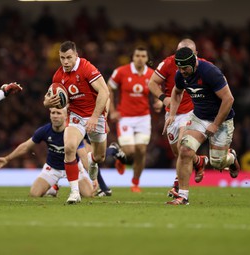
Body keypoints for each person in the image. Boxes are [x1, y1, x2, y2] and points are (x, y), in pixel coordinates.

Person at [163, 47, 240, 205]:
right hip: (198, 117)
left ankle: (231, 158)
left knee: (217, 162)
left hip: (222, 120)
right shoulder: (181, 75)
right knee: (184, 150)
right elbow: (177, 92)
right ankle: (183, 196)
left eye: (185, 68)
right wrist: (172, 114)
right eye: (179, 68)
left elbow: (228, 99)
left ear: (194, 63)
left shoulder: (210, 72)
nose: (182, 71)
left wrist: (216, 124)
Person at [44, 41, 109, 204]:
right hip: (76, 116)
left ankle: (92, 160)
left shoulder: (87, 67)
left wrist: (95, 117)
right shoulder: (58, 76)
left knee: (100, 157)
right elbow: (48, 98)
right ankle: (74, 193)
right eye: (62, 58)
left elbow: (104, 91)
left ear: (76, 56)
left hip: (96, 114)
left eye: (69, 58)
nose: (65, 62)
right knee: (69, 147)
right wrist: (47, 102)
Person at [148, 39, 209, 198]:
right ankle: (198, 161)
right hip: (173, 113)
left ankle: (179, 188)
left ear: (195, 54)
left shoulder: (204, 66)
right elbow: (152, 83)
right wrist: (163, 98)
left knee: (184, 145)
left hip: (193, 112)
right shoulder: (168, 63)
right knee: (179, 153)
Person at [0, 107, 94, 198]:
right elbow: (26, 146)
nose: (55, 116)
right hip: (52, 168)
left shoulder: (73, 132)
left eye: (58, 113)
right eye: (53, 113)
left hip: (73, 167)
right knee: (34, 194)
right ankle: (52, 188)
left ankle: (75, 188)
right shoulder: (44, 131)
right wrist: (7, 158)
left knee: (89, 194)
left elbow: (83, 155)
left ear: (66, 116)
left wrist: (93, 177)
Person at [107, 46, 158, 192]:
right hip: (125, 118)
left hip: (143, 117)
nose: (140, 58)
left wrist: (158, 101)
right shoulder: (121, 72)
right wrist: (112, 110)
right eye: (137, 55)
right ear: (133, 57)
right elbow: (109, 88)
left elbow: (156, 91)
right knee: (130, 151)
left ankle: (135, 182)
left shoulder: (151, 74)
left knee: (141, 150)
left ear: (147, 59)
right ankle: (121, 158)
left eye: (143, 56)